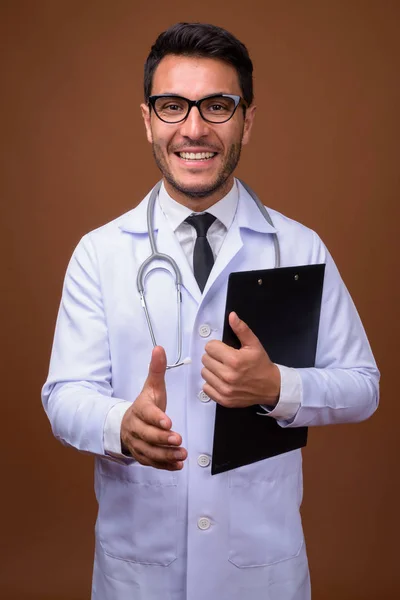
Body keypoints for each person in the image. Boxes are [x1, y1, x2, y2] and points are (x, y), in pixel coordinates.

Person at [42, 22, 379, 600]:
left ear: (247, 119)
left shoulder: (299, 247)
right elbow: (64, 394)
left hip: (260, 571)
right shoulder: (100, 252)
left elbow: (362, 387)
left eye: (217, 106)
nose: (193, 129)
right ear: (147, 119)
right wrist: (118, 425)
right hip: (140, 573)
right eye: (172, 106)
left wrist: (278, 386)